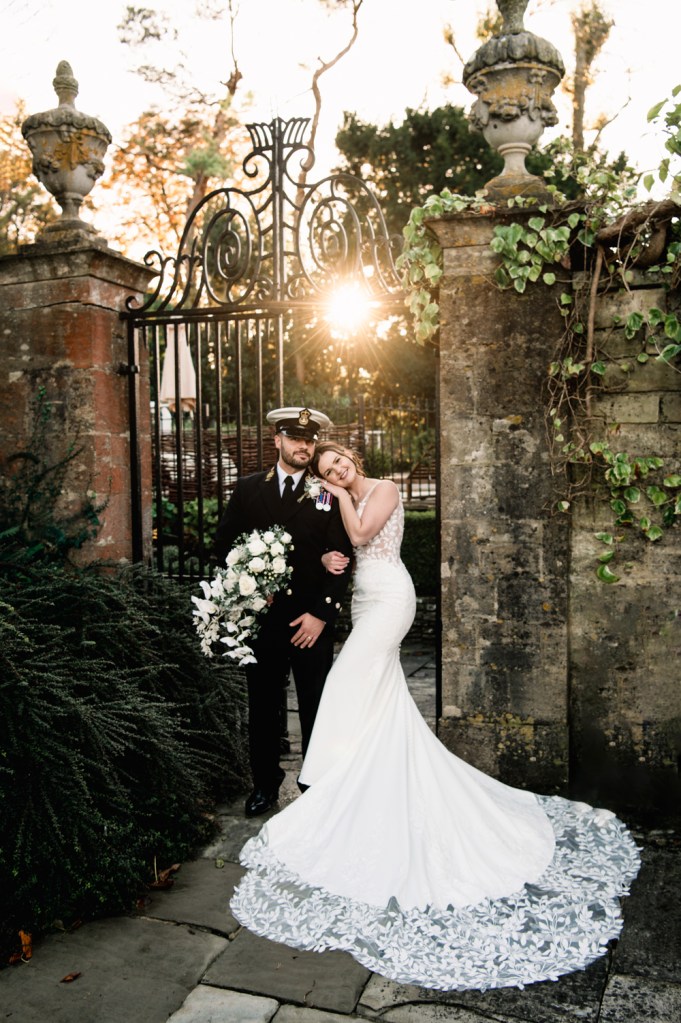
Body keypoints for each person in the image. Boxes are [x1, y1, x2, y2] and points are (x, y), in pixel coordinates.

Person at [230, 441, 641, 991]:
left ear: (352, 457)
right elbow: (335, 548)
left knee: (348, 684)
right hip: (364, 600)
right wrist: (328, 556)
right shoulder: (338, 498)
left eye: (340, 463)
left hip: (392, 598)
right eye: (328, 469)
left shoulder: (382, 490)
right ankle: (359, 784)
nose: (335, 471)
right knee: (380, 696)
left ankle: (328, 782)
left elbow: (356, 536)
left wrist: (335, 496)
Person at [213, 412, 352, 819]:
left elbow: (343, 557)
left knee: (315, 705)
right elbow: (223, 549)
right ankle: (264, 785)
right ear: (277, 440)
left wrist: (321, 615)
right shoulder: (247, 490)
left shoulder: (324, 492)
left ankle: (315, 784)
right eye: (295, 438)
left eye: (309, 441)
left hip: (310, 622)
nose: (303, 447)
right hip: (264, 622)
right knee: (264, 705)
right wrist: (252, 587)